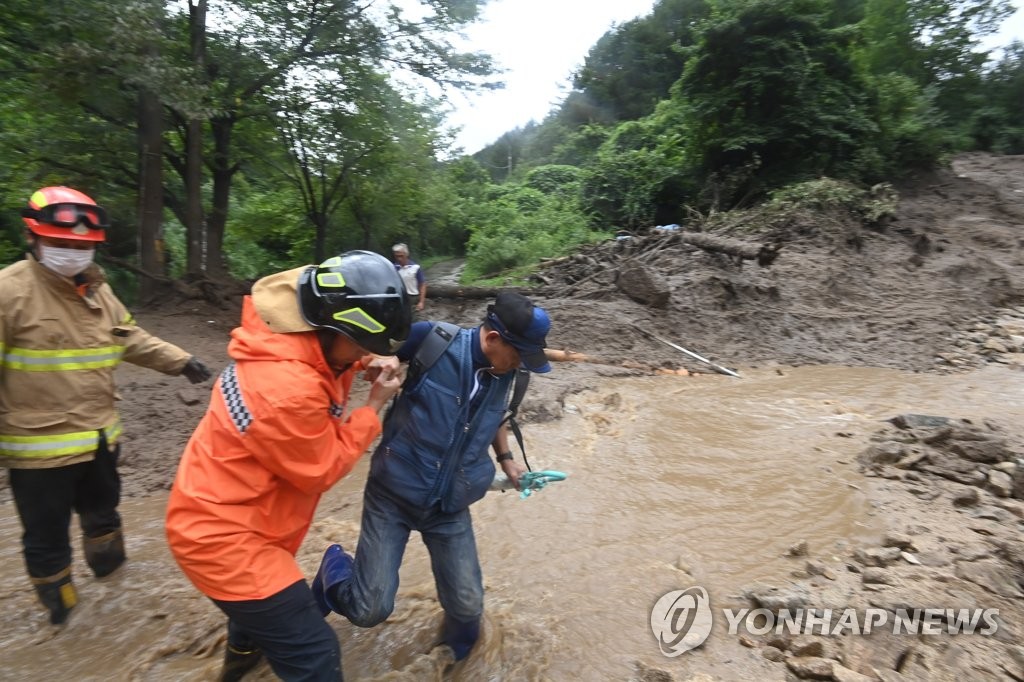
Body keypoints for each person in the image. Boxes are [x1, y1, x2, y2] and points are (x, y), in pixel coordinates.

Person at [165, 250, 412, 682]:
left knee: (261, 617)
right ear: (331, 326)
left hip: (234, 509)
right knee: (316, 655)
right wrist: (373, 408)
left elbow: (331, 356)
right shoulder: (287, 389)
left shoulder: (291, 334)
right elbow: (324, 468)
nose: (362, 354)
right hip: (225, 539)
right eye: (359, 344)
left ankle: (239, 661)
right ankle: (246, 654)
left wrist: (365, 358)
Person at [0, 185, 212, 625]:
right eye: (62, 243)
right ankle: (66, 622)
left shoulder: (96, 288)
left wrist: (181, 361)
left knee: (104, 518)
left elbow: (129, 336)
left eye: (83, 245)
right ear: (33, 238)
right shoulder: (9, 293)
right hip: (40, 451)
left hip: (99, 438)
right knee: (47, 539)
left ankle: (115, 596)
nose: (73, 252)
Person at [313, 291, 551, 662]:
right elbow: (375, 353)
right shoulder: (432, 340)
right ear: (492, 339)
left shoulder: (509, 372)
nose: (521, 364)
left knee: (468, 604)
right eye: (519, 354)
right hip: (392, 494)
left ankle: (450, 661)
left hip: (450, 505)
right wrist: (385, 360)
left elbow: (494, 415)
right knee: (368, 610)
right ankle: (334, 565)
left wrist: (507, 460)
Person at [391, 243, 426, 312]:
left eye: (401, 256)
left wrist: (421, 302)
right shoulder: (393, 268)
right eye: (397, 256)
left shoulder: (415, 268)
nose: (399, 259)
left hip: (412, 298)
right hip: (398, 297)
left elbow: (422, 285)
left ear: (406, 254)